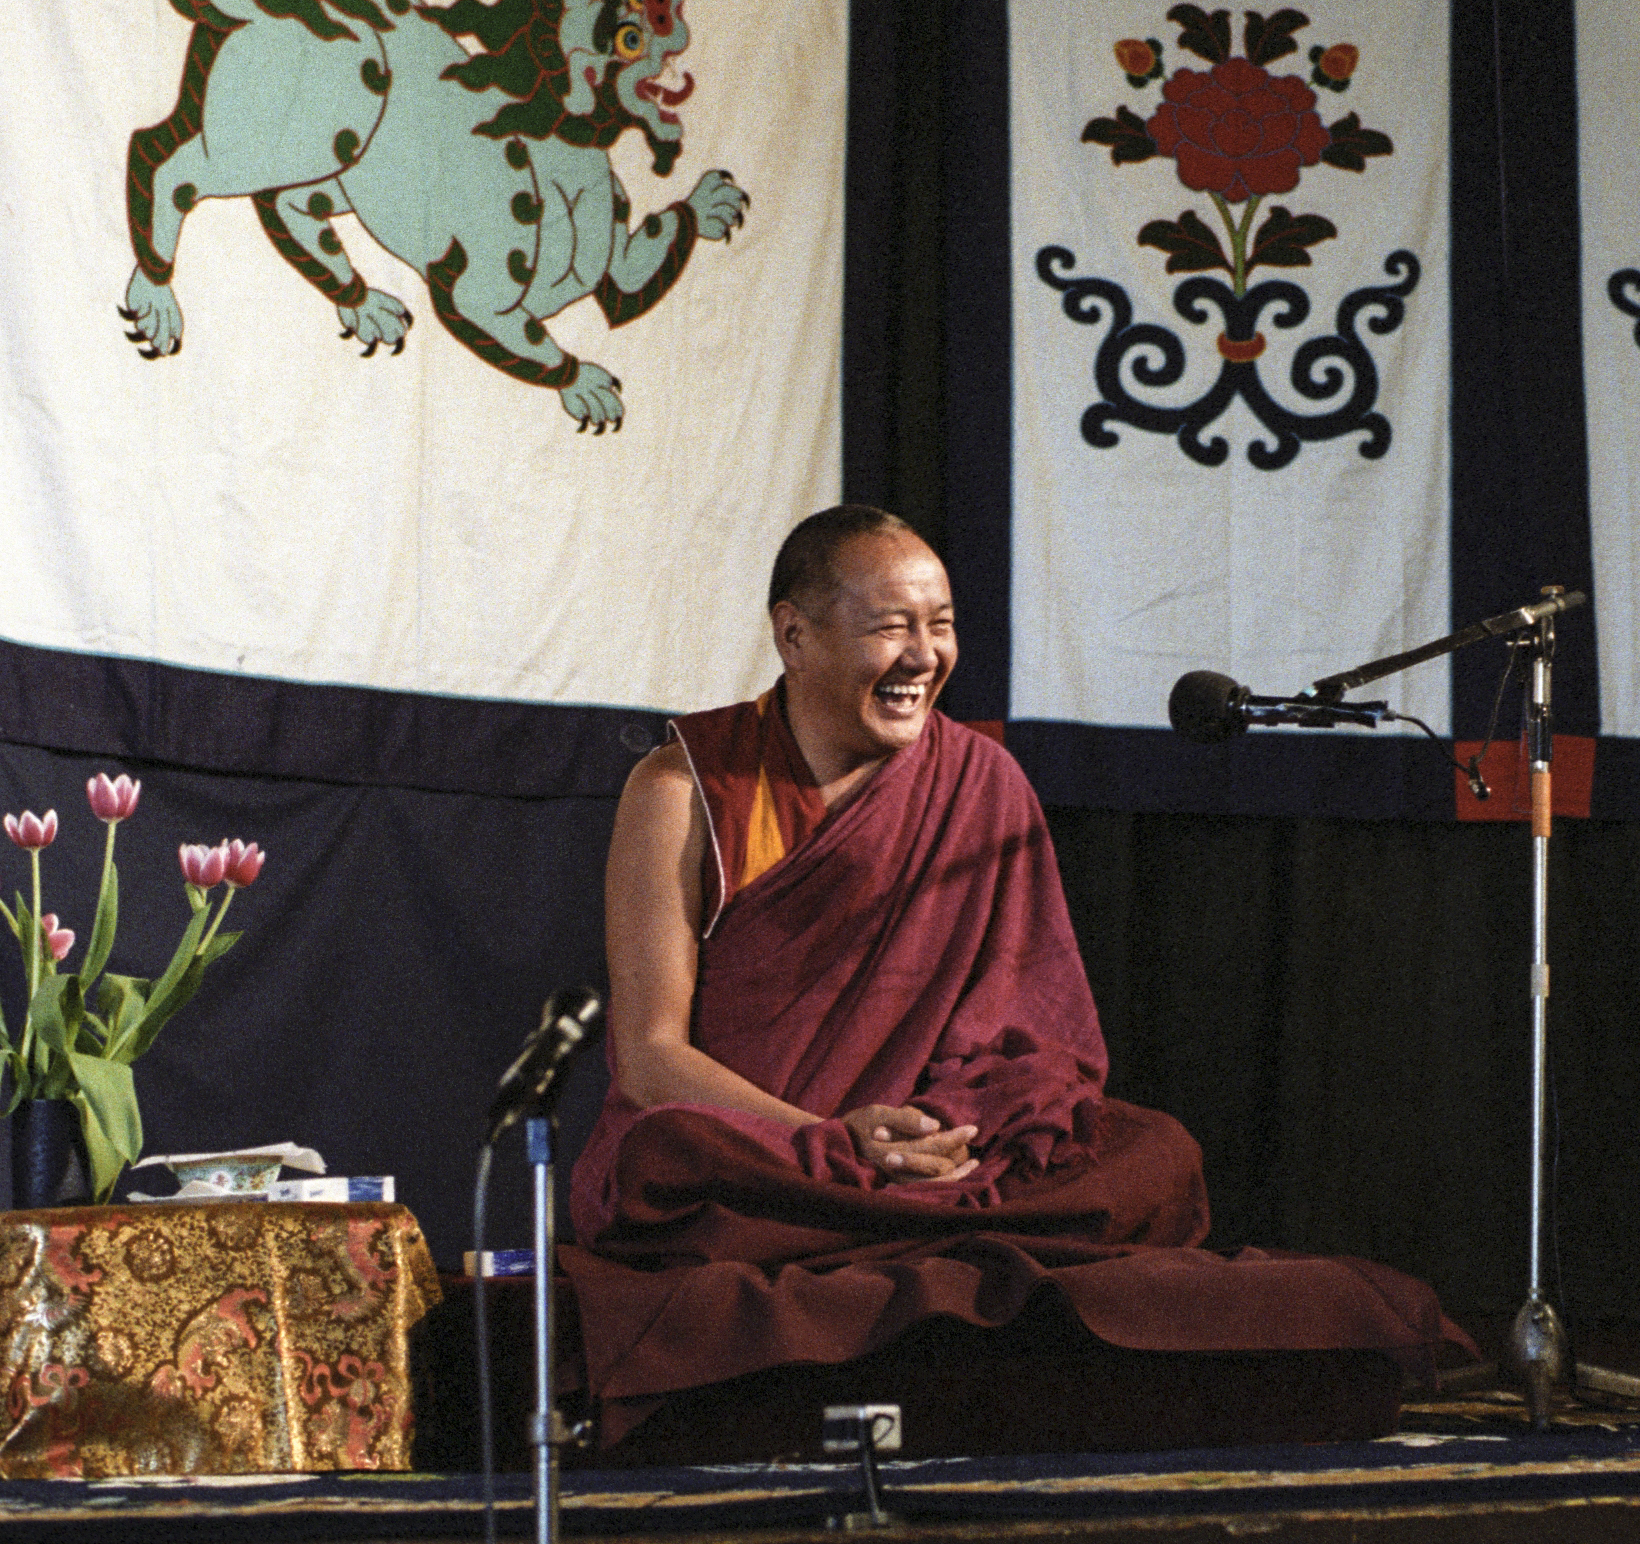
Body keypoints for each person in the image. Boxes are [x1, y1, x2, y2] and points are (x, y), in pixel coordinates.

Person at [563, 505, 1459, 1446]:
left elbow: (1033, 1044)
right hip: (774, 1159)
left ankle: (902, 1219)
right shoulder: (683, 790)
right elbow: (652, 1058)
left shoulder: (980, 782)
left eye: (939, 623)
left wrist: (946, 1133)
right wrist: (835, 1140)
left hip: (926, 1157)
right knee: (660, 1157)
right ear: (793, 632)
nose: (923, 656)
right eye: (889, 627)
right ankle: (899, 1223)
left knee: (1152, 1154)